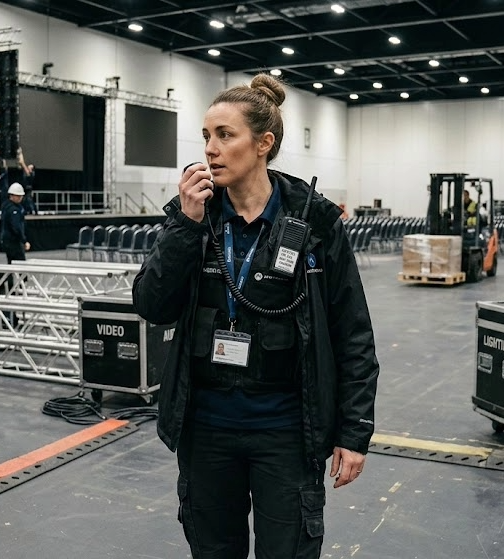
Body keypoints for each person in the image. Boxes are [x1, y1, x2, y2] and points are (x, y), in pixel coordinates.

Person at [132, 74, 379, 558]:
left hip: (285, 431)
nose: (211, 149)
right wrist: (185, 225)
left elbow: (351, 332)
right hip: (206, 430)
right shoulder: (194, 218)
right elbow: (151, 305)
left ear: (263, 144)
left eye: (226, 135)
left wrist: (354, 434)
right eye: (206, 136)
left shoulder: (314, 224)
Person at [0, 182, 30, 263]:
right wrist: (24, 240)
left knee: (11, 263)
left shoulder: (5, 206)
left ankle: (5, 276)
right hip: (14, 241)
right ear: (12, 195)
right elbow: (16, 227)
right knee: (21, 264)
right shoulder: (14, 210)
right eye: (18, 196)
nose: (20, 198)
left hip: (6, 240)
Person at [16, 147, 37, 215]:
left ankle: (33, 211)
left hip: (28, 189)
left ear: (32, 169)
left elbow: (22, 163)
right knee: (24, 200)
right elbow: (21, 163)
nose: (28, 167)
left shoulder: (30, 173)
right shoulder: (27, 172)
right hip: (25, 188)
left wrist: (20, 153)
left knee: (29, 200)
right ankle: (27, 211)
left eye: (30, 167)